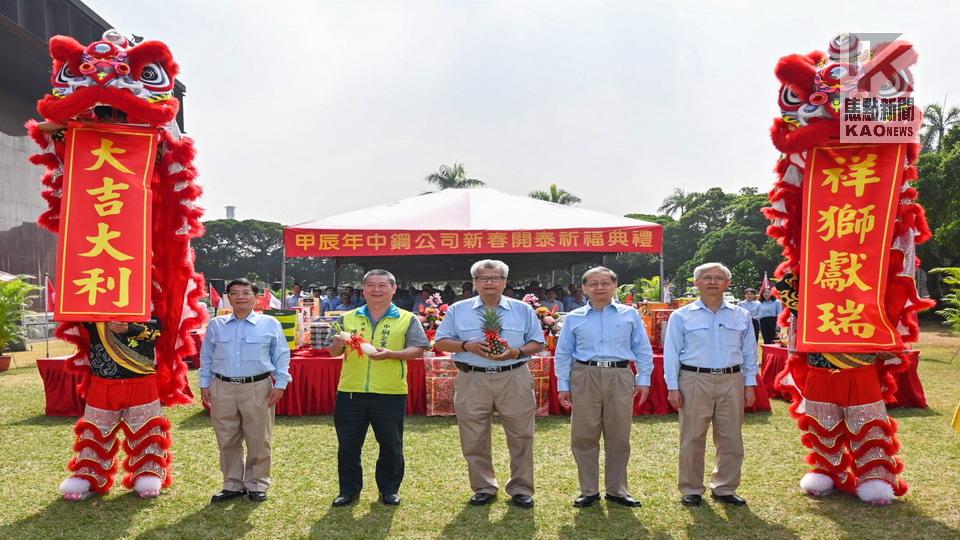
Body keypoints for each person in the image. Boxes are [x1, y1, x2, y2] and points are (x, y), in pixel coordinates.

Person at [435, 260, 546, 509]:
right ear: (474, 282)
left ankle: (521, 488)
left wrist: (516, 352)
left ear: (505, 282)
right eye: (483, 278)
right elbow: (440, 342)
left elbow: (538, 343)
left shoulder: (523, 310)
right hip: (472, 377)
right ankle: (484, 486)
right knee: (474, 435)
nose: (489, 283)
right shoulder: (457, 310)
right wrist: (466, 346)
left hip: (513, 376)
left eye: (495, 278)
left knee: (521, 434)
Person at [327, 270, 429, 507]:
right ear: (363, 289)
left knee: (391, 445)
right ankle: (349, 490)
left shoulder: (407, 318)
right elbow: (333, 352)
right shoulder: (347, 317)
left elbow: (418, 349)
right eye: (371, 285)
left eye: (382, 285)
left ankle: (389, 489)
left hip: (390, 392)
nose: (376, 290)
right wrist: (337, 342)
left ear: (393, 289)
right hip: (351, 391)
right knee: (349, 444)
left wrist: (392, 355)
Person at [555, 267, 653, 508]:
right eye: (593, 283)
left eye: (605, 283)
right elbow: (563, 352)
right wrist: (563, 384)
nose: (600, 287)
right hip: (584, 374)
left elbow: (642, 348)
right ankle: (588, 490)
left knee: (619, 434)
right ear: (584, 288)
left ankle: (617, 489)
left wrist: (644, 379)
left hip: (619, 374)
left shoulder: (629, 314)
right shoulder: (575, 317)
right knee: (584, 434)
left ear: (615, 285)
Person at [663, 263, 758, 508]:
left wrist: (750, 384)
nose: (713, 282)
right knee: (692, 436)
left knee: (731, 438)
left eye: (719, 278)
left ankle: (725, 487)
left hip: (731, 379)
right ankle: (691, 488)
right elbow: (671, 352)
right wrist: (673, 387)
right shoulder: (681, 315)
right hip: (694, 379)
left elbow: (749, 352)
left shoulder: (741, 315)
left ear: (728, 283)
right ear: (697, 283)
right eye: (707, 278)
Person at [200, 278, 292, 503]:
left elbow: (281, 355)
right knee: (226, 437)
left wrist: (281, 383)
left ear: (256, 297)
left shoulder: (269, 323)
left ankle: (256, 483)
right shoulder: (216, 324)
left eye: (246, 292)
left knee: (259, 437)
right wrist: (204, 384)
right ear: (228, 297)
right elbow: (207, 356)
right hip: (222, 387)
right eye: (235, 293)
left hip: (257, 387)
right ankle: (232, 484)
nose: (240, 296)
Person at [59, 318, 171, 500]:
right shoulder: (93, 295)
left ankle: (148, 475)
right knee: (94, 431)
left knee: (147, 430)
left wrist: (129, 328)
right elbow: (75, 316)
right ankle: (88, 476)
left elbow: (157, 331)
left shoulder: (146, 294)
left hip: (142, 379)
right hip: (102, 381)